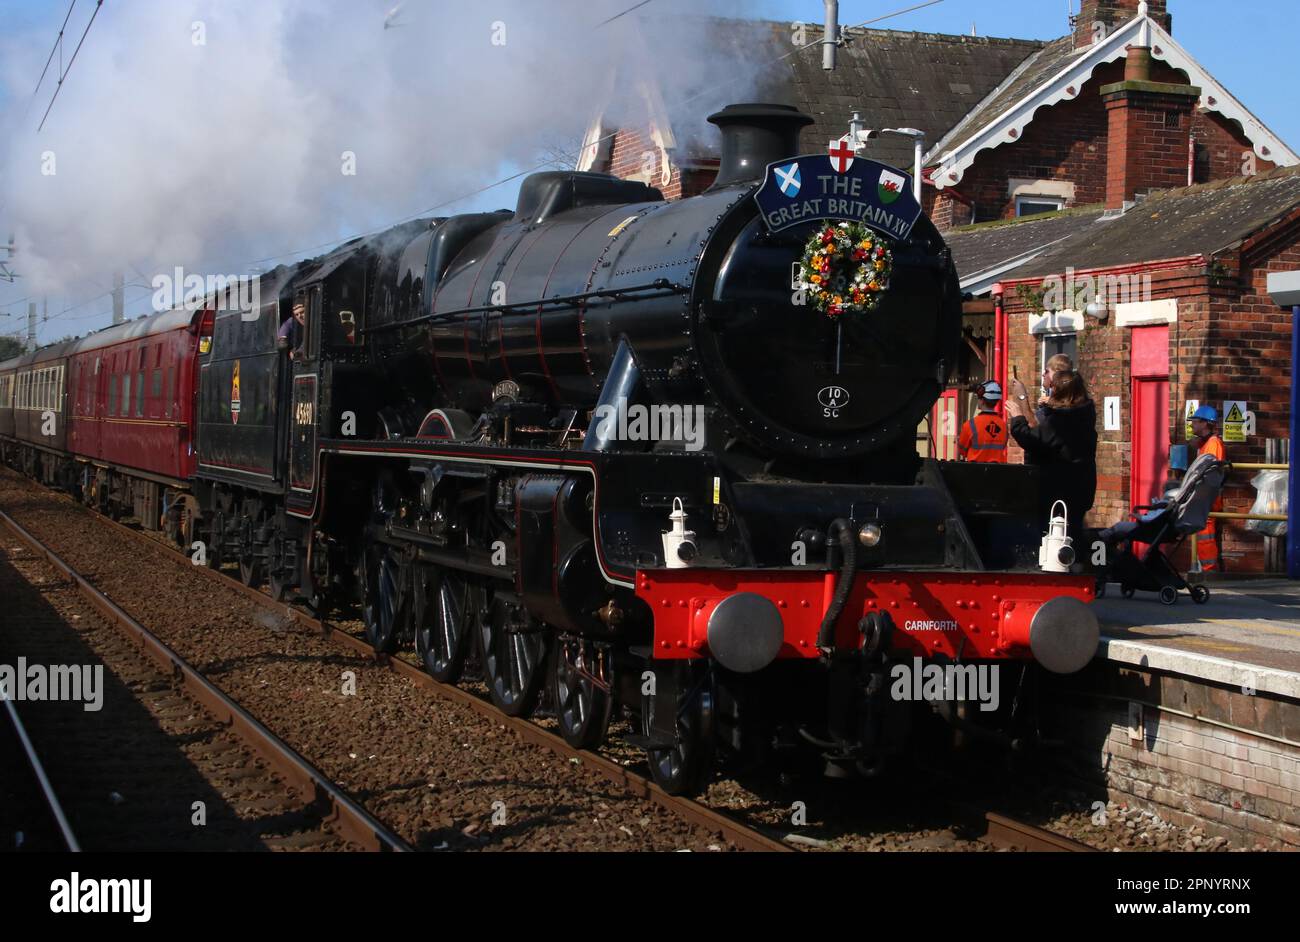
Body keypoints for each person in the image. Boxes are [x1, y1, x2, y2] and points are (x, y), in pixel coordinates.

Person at [1006, 369, 1098, 547]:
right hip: (1083, 489)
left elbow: (1030, 438)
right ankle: (1076, 565)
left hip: (1057, 492)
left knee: (1052, 539)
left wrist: (1017, 415)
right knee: (1074, 533)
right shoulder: (1086, 415)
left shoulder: (1061, 421)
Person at [1189, 405, 1226, 572]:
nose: (1192, 425)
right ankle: (1206, 567)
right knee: (1202, 531)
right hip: (1204, 494)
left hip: (1208, 496)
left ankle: (1209, 569)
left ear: (1205, 423)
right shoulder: (1206, 443)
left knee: (1205, 532)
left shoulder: (1213, 444)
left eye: (1195, 422)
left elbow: (1211, 471)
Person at [958, 380, 1007, 462]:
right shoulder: (1004, 425)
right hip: (998, 472)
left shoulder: (970, 425)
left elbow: (962, 451)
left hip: (976, 471)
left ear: (982, 401)